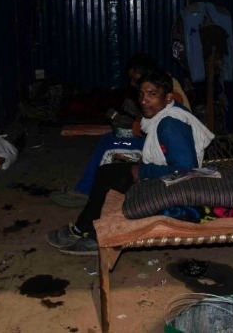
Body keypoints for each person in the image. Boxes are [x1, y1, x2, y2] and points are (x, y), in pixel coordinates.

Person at [46, 69, 214, 255]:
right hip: (167, 176)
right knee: (106, 172)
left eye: (152, 94)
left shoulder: (170, 125)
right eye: (141, 94)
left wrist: (142, 171)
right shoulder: (166, 113)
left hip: (177, 186)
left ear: (167, 98)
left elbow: (186, 170)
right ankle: (84, 228)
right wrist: (142, 165)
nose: (143, 101)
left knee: (109, 179)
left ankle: (92, 234)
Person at [48, 53, 191, 207]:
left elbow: (180, 160)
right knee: (108, 139)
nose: (133, 83)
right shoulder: (162, 83)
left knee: (110, 144)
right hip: (160, 141)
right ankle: (85, 189)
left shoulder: (169, 92)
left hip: (165, 148)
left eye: (135, 79)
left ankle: (86, 192)